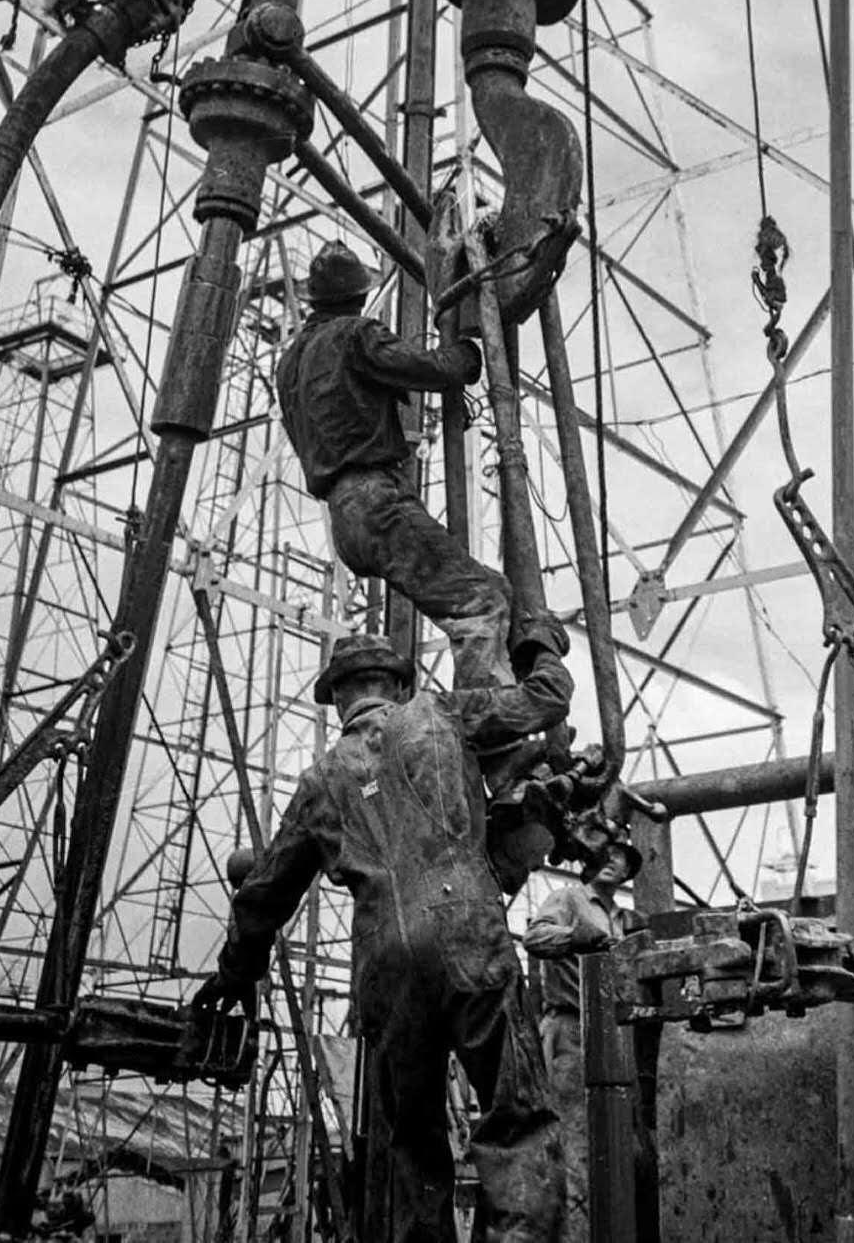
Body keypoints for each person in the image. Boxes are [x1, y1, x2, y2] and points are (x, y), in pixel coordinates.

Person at [195, 631, 570, 1243]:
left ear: (337, 699)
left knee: (413, 1147)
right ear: (399, 685)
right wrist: (540, 642)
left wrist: (234, 974)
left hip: (386, 967)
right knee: (517, 1118)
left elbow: (263, 895)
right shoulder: (442, 714)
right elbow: (547, 699)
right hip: (470, 936)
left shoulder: (320, 781)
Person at [278, 240, 565, 691]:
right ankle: (493, 730)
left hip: (344, 520)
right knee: (482, 599)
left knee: (480, 589)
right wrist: (470, 352)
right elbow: (435, 367)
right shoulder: (355, 335)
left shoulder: (289, 362)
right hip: (377, 502)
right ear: (357, 296)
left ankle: (504, 702)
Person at [523, 828, 642, 1243]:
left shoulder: (622, 919)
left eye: (621, 855)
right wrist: (574, 936)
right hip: (572, 1029)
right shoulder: (569, 899)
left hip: (612, 1034)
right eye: (604, 852)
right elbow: (535, 936)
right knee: (575, 1145)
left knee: (614, 1144)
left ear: (630, 869)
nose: (612, 860)